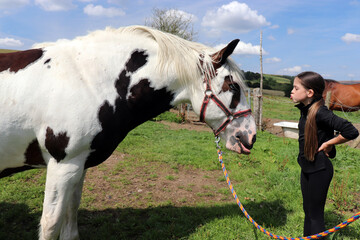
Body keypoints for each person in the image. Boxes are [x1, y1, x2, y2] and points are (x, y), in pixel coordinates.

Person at [290, 71, 359, 237]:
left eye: (295, 87)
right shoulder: (306, 110)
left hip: (319, 170)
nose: (291, 91)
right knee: (308, 210)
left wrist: (329, 143)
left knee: (315, 215)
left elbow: (351, 130)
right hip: (306, 167)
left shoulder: (321, 112)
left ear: (310, 93)